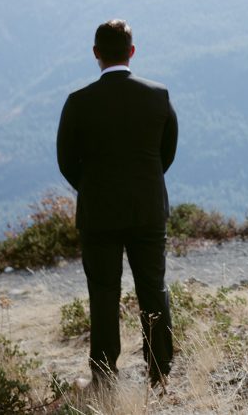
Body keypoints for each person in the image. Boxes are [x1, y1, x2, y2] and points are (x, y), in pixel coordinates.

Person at [56, 19, 178, 390]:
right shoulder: (158, 95)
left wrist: (92, 188)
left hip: (98, 214)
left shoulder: (78, 102)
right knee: (153, 289)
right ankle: (159, 370)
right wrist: (145, 184)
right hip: (147, 210)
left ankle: (105, 375)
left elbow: (65, 160)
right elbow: (165, 154)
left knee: (104, 294)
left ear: (96, 54)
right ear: (132, 50)